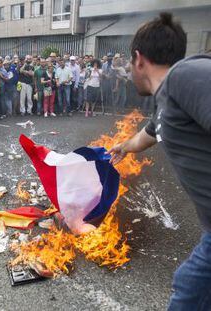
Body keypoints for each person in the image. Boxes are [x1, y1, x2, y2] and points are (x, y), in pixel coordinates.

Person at [108, 13, 211, 310]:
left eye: (130, 62)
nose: (129, 69)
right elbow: (150, 134)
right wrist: (123, 147)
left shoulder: (185, 76)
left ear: (139, 59)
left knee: (189, 291)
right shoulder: (167, 99)